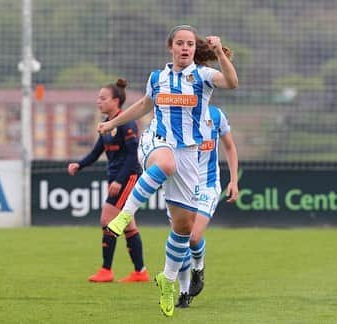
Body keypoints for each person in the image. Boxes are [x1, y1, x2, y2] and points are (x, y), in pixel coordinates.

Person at [98, 25, 238, 317]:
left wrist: (219, 52)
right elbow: (142, 106)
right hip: (158, 141)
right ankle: (125, 215)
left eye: (189, 44)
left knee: (183, 228)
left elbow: (232, 82)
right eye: (180, 43)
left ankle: (169, 279)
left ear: (193, 49)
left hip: (190, 155)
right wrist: (112, 124)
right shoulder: (157, 78)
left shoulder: (202, 76)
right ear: (171, 47)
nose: (185, 47)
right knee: (165, 163)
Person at [67, 78, 149, 283]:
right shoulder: (107, 126)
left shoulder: (127, 123)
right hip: (117, 178)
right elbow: (96, 152)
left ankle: (106, 270)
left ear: (116, 101)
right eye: (98, 98)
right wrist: (80, 165)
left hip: (128, 177)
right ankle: (140, 272)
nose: (98, 101)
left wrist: (120, 181)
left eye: (103, 98)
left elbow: (132, 157)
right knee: (129, 226)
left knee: (107, 219)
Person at [174, 104, 239, 307]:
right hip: (182, 186)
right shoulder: (176, 114)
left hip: (207, 185)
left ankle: (198, 268)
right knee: (181, 239)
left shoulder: (216, 115)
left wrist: (234, 180)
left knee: (194, 236)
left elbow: (229, 146)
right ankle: (184, 293)